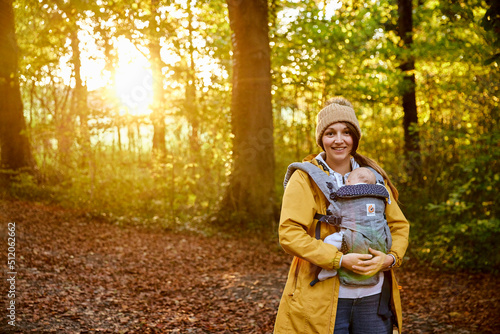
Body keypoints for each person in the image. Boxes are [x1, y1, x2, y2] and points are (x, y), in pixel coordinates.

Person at [273, 97, 410, 334]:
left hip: (374, 297)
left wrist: (390, 258)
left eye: (346, 132)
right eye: (330, 133)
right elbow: (289, 234)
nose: (339, 140)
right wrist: (338, 259)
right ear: (321, 139)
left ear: (354, 138)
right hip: (324, 298)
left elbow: (398, 226)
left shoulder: (373, 177)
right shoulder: (305, 178)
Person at [317, 167, 389, 283]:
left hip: (351, 234)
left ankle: (329, 270)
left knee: (328, 241)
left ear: (348, 182)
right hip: (378, 236)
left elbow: (333, 211)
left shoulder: (346, 195)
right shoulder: (380, 196)